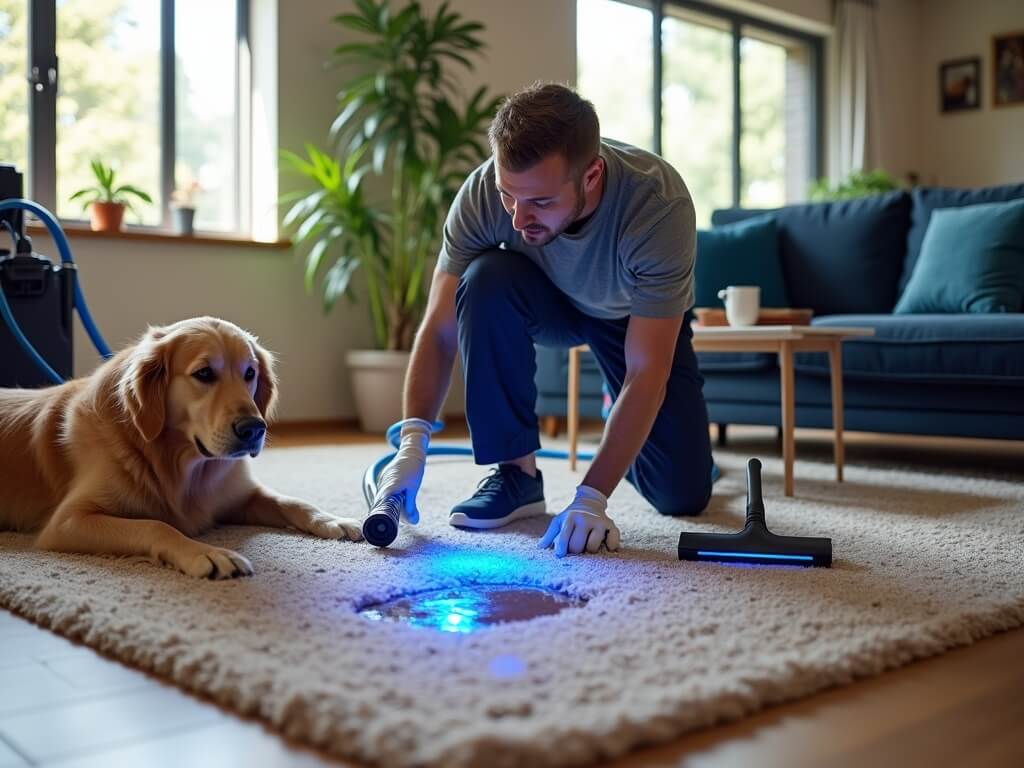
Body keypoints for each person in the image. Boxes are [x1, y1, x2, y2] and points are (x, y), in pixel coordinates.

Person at [372, 82, 713, 557]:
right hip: (546, 299)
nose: (517, 218)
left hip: (627, 316)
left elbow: (647, 370)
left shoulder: (657, 206)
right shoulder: (485, 194)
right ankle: (518, 476)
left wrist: (591, 498)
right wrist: (412, 441)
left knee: (683, 495)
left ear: (592, 175)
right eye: (508, 196)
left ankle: (617, 408)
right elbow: (440, 325)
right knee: (485, 276)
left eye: (540, 202)